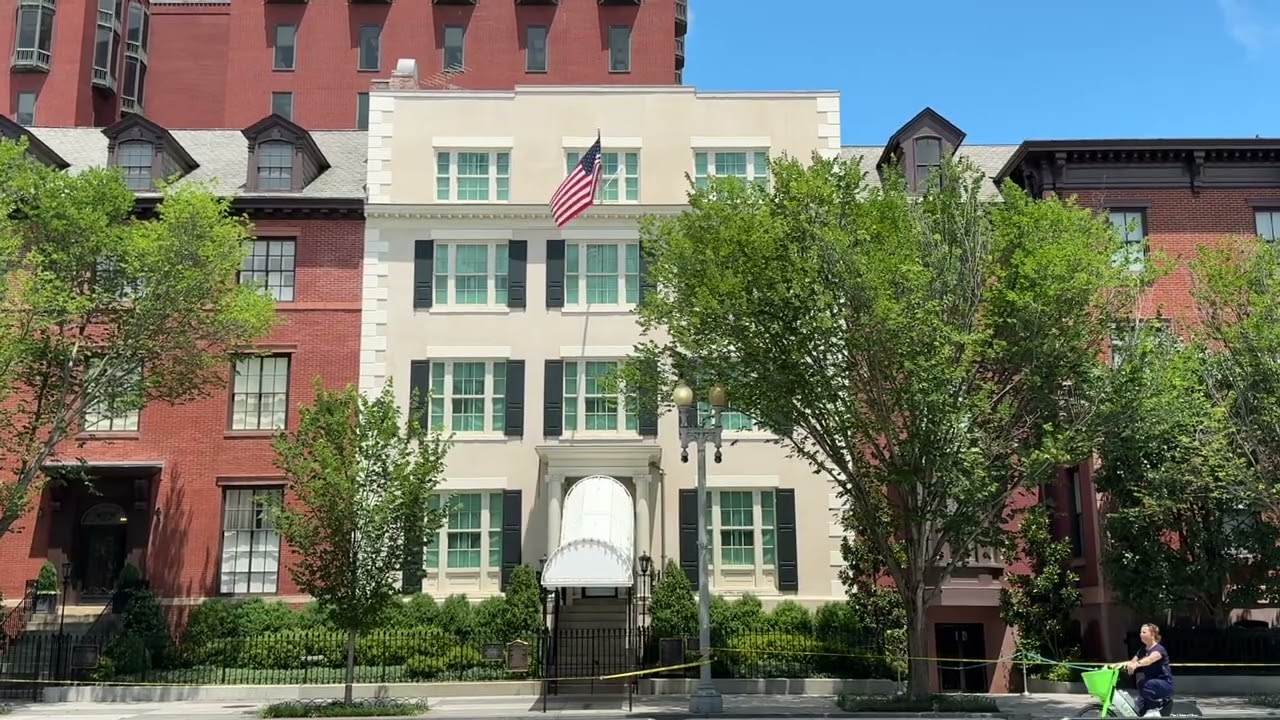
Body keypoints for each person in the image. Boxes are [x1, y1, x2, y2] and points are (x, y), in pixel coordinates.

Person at [1118, 623, 1174, 717]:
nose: (1141, 634)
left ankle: (1154, 709)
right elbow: (1132, 661)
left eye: (1144, 632)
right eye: (1140, 632)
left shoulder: (1159, 649)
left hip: (1164, 684)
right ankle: (1145, 708)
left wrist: (1137, 664)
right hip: (1152, 684)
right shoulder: (1142, 650)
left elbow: (1150, 659)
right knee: (1140, 686)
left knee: (1144, 683)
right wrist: (1117, 666)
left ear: (1152, 634)